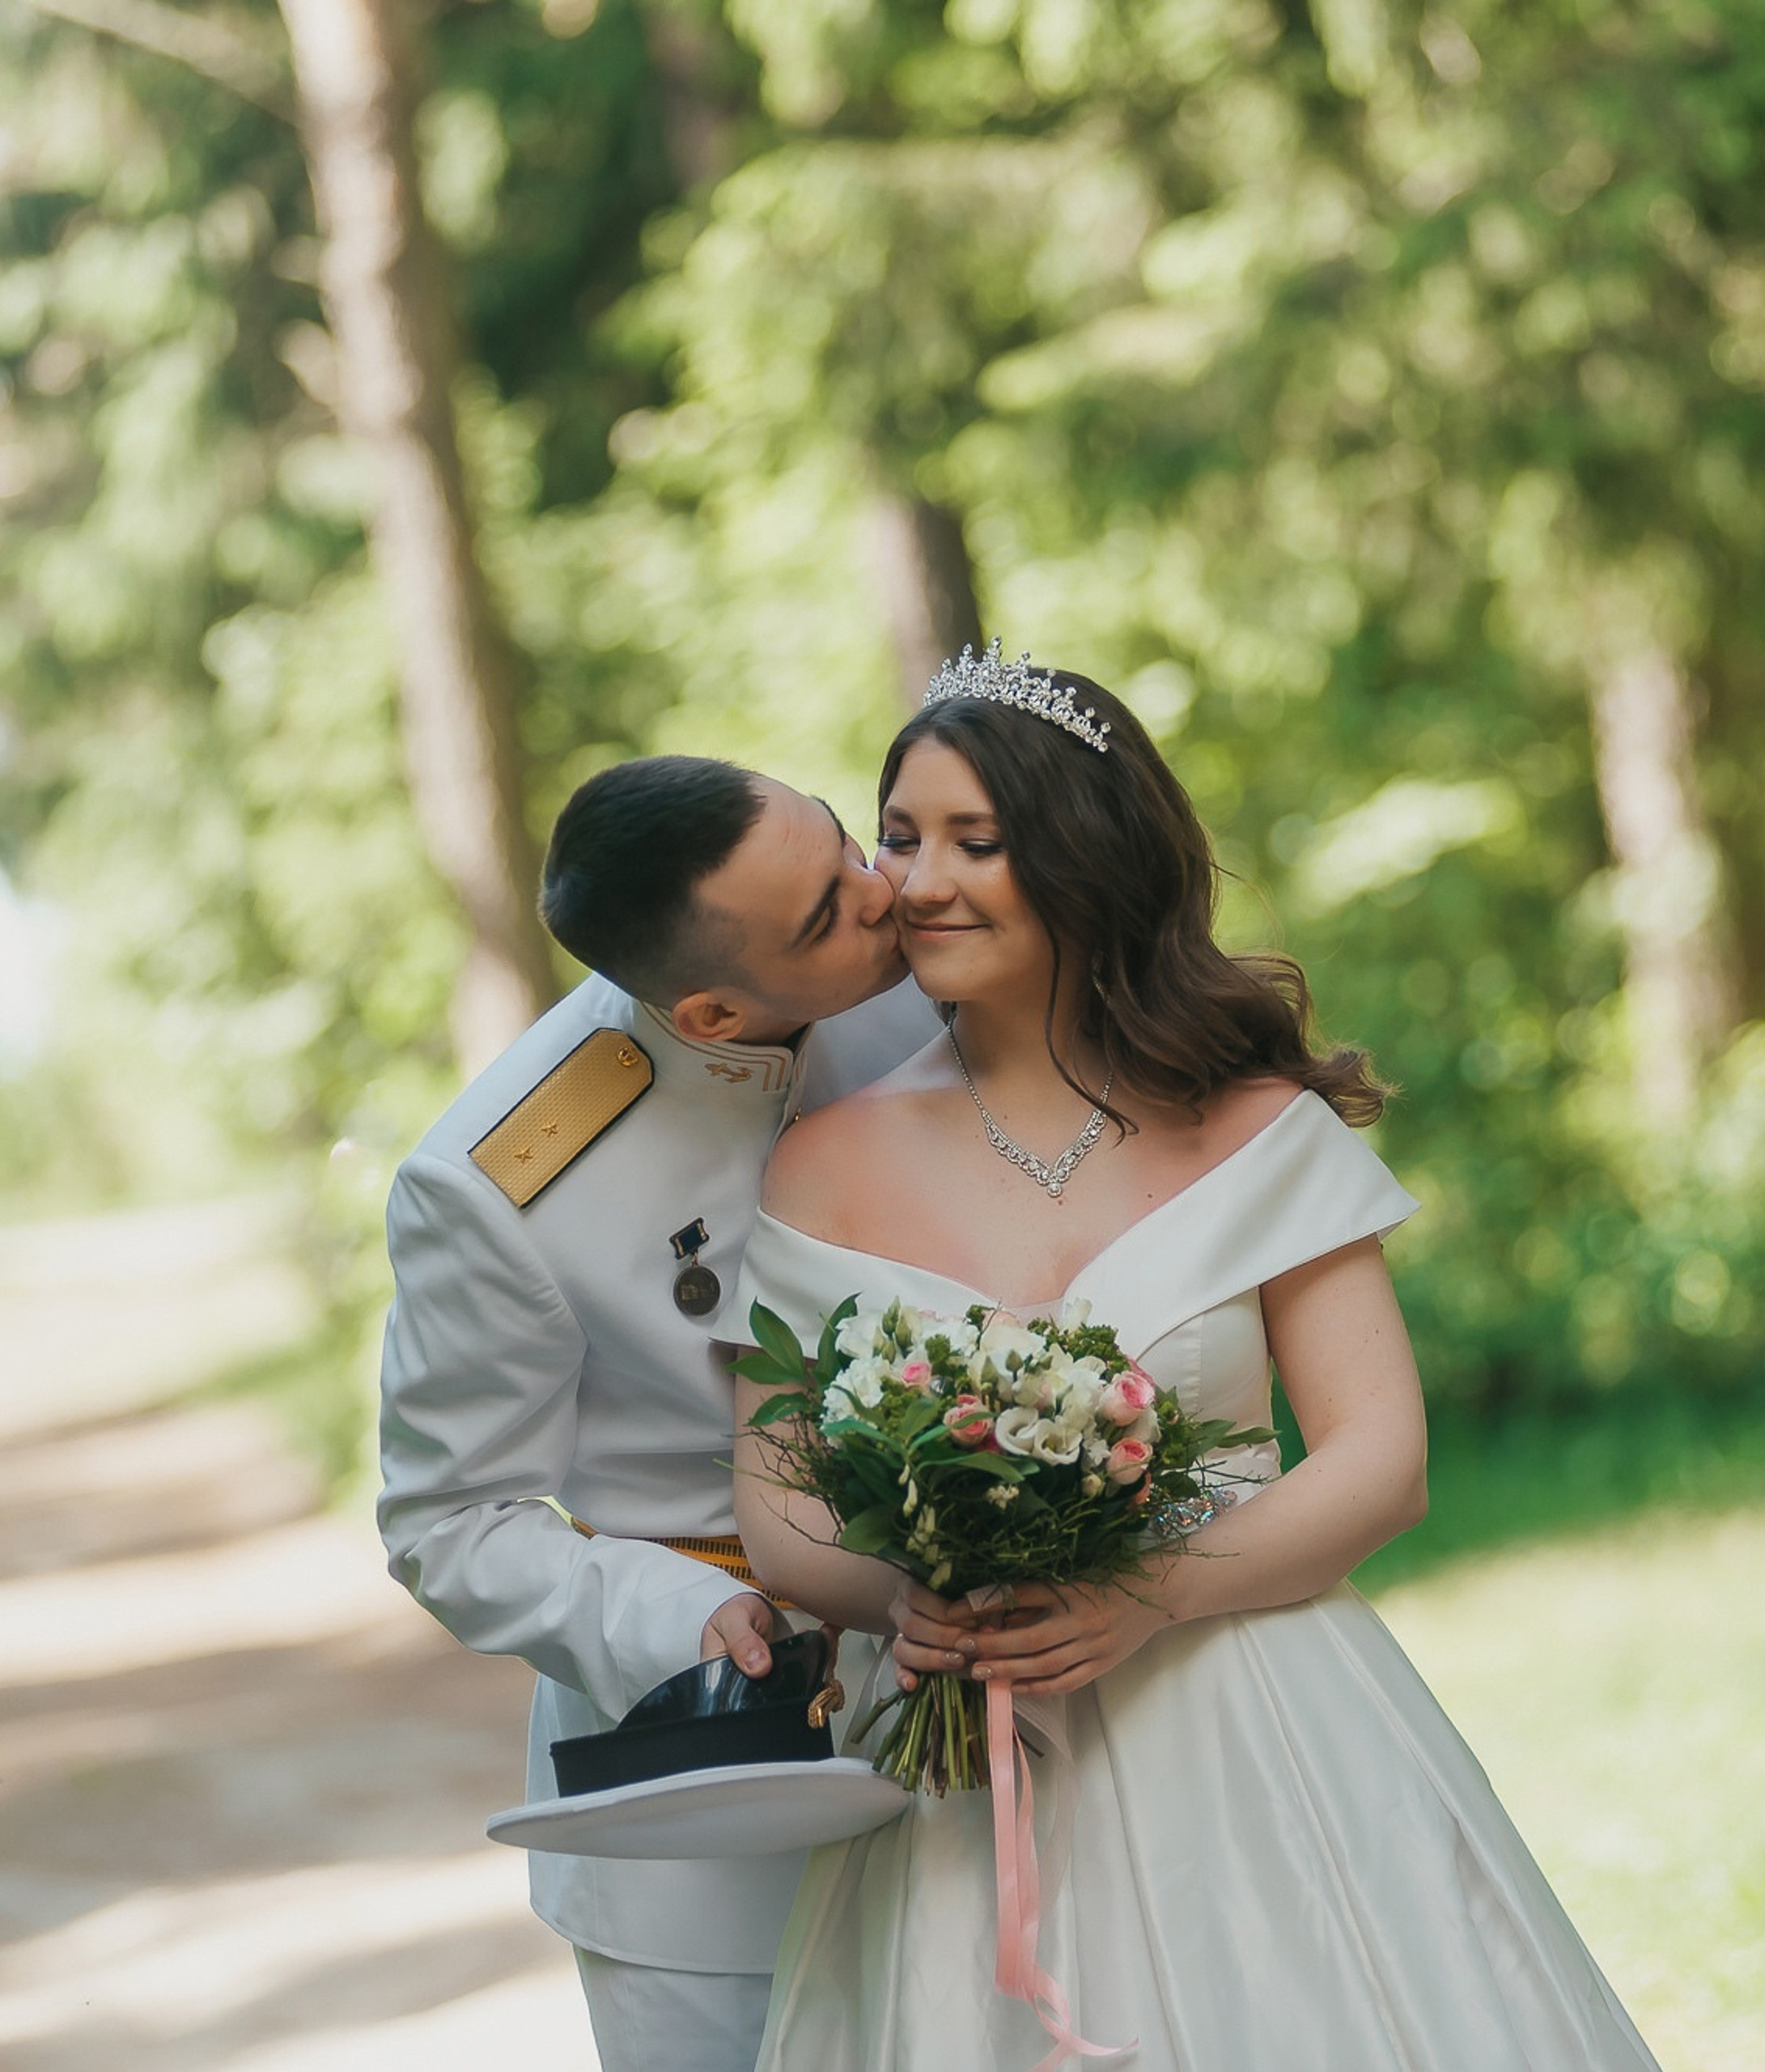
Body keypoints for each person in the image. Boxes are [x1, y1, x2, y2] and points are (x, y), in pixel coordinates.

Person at [718, 650, 1663, 2070]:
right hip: (971, 1773)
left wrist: (1146, 1596)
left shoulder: (1255, 1124)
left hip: (1259, 1723)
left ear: (1082, 856)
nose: (920, 882)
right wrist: (908, 1597)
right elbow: (779, 1499)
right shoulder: (821, 1162)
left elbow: (1380, 1459)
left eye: (977, 841)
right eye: (900, 837)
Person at [375, 754, 940, 2072]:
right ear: (712, 1010)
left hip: (989, 1734)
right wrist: (678, 1616)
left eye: (844, 843)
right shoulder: (497, 1186)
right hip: (712, 1790)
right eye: (828, 913)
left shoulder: (936, 987)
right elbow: (447, 1522)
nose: (882, 893)